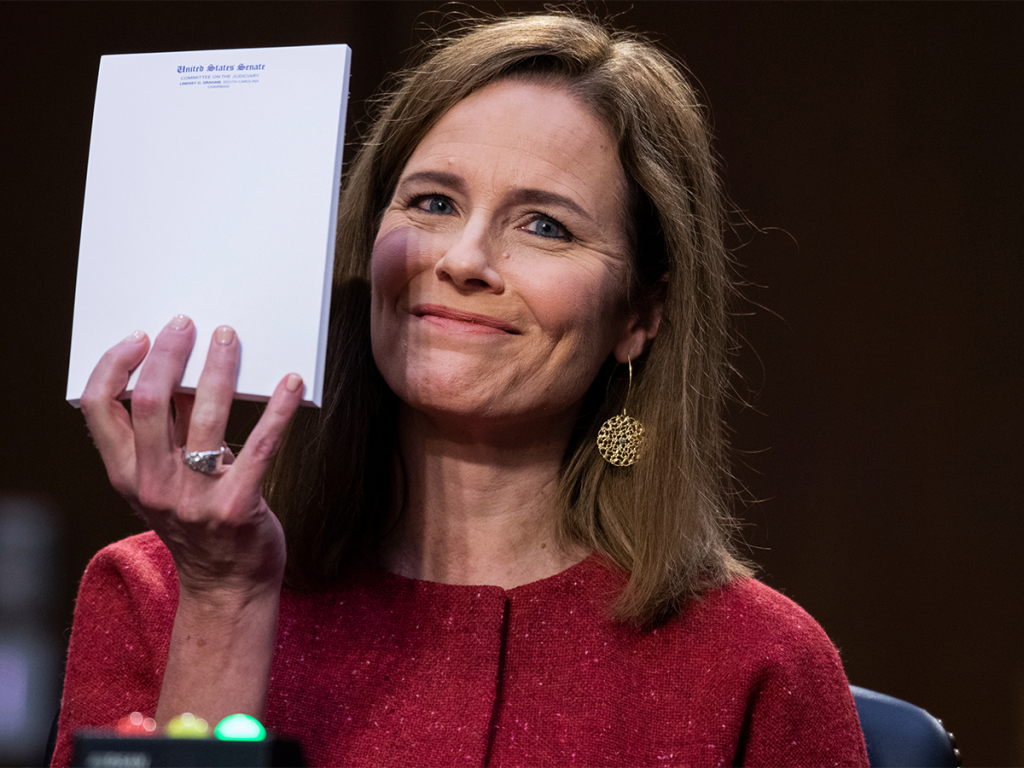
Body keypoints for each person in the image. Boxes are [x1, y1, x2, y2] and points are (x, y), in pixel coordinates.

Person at [53, 12, 868, 767]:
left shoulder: (761, 665)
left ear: (639, 314)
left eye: (544, 224)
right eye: (433, 202)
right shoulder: (154, 596)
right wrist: (224, 602)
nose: (464, 259)